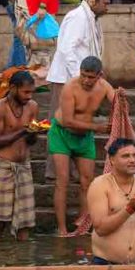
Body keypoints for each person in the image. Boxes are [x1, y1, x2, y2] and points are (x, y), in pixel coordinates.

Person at [50, 56, 115, 236]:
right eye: (83, 75)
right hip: (62, 134)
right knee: (62, 181)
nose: (86, 80)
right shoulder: (70, 87)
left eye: (90, 77)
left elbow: (118, 104)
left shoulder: (105, 87)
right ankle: (62, 229)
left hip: (85, 138)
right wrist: (98, 127)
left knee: (87, 181)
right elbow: (69, 121)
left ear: (99, 76)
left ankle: (82, 225)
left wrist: (120, 104)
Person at [88, 139, 135, 264]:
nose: (133, 160)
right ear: (112, 160)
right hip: (105, 265)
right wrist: (130, 208)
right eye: (125, 156)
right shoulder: (99, 185)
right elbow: (101, 229)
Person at [0, 71, 38, 241]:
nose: (29, 96)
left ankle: (24, 263)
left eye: (31, 92)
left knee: (25, 222)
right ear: (13, 88)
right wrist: (23, 130)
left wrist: (33, 132)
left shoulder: (32, 107)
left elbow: (31, 141)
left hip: (24, 165)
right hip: (2, 165)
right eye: (25, 92)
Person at [47, 0, 109, 120]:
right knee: (61, 122)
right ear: (93, 1)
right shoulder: (78, 17)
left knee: (76, 121)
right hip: (67, 77)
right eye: (105, 3)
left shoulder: (91, 18)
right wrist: (78, 77)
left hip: (79, 77)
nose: (107, 8)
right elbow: (67, 49)